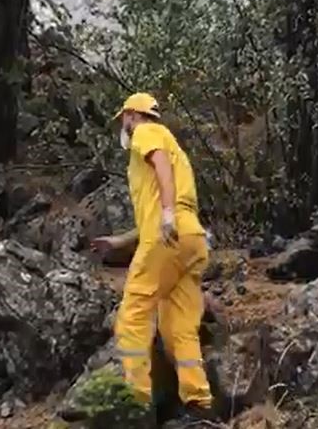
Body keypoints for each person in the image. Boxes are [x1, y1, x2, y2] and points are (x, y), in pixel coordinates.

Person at [91, 93, 214, 420]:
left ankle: (136, 404)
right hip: (191, 239)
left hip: (168, 236)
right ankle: (199, 404)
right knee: (179, 328)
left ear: (132, 114)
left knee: (133, 316)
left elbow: (159, 166)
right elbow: (162, 203)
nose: (124, 125)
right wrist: (120, 242)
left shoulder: (147, 133)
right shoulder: (176, 148)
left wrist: (169, 215)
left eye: (124, 119)